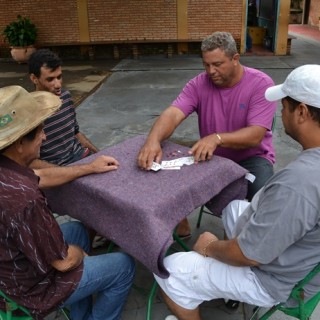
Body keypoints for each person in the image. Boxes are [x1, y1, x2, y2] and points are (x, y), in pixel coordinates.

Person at [154, 64, 320, 320]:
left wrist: (211, 247)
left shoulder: (299, 183)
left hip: (276, 280)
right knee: (234, 208)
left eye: (284, 107)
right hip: (301, 256)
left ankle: (207, 283)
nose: (281, 113)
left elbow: (250, 254)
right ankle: (217, 281)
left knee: (169, 268)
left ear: (301, 112)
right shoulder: (305, 176)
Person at [0, 85, 135, 320]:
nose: (45, 136)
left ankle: (79, 316)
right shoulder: (25, 198)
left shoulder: (9, 170)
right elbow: (63, 263)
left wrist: (89, 168)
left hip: (10, 266)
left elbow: (41, 176)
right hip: (27, 288)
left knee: (77, 230)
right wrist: (79, 254)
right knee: (123, 265)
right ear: (20, 143)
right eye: (40, 131)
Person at [137, 32, 277, 238]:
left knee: (263, 203)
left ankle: (245, 248)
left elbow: (255, 136)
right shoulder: (198, 84)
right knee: (161, 174)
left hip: (253, 159)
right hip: (212, 157)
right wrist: (152, 140)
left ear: (235, 59)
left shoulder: (261, 84)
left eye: (218, 64)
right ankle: (180, 223)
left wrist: (217, 138)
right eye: (206, 65)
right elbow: (173, 114)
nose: (211, 71)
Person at [28, 48, 99, 169]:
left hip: (81, 157)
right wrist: (67, 172)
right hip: (58, 169)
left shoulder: (65, 97)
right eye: (50, 79)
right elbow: (28, 161)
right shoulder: (27, 111)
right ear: (34, 79)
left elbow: (75, 133)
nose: (58, 85)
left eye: (59, 77)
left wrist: (99, 153)